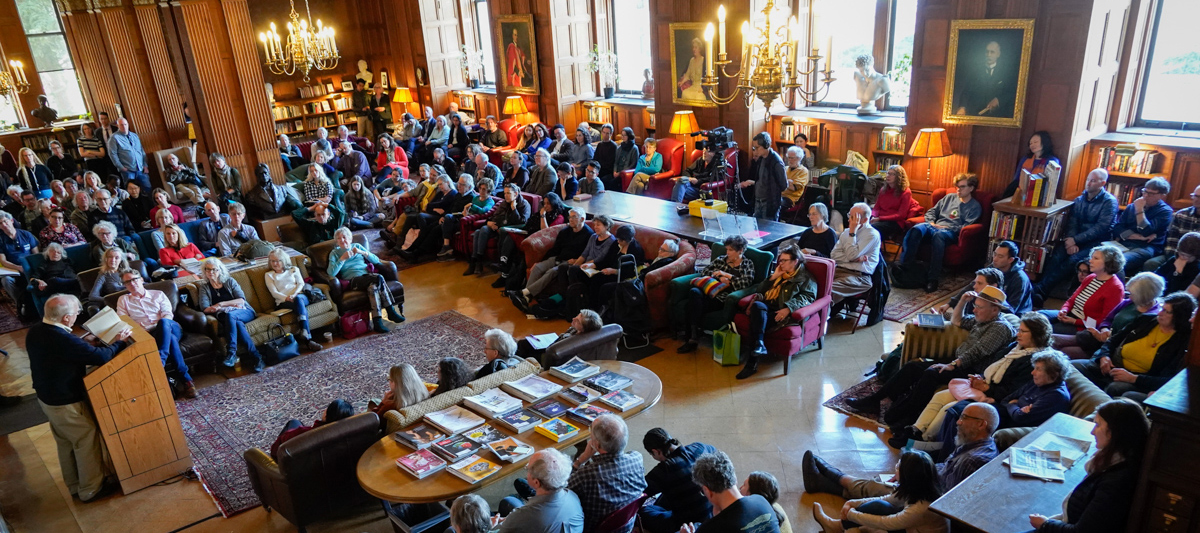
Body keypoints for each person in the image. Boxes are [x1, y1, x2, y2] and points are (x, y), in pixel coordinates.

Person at [848, 286, 1019, 424]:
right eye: (975, 306)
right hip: (960, 362)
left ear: (995, 309)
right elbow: (957, 321)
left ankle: (910, 415)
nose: (974, 310)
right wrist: (962, 302)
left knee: (931, 373)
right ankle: (877, 400)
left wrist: (952, 365)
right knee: (913, 367)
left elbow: (978, 352)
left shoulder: (1000, 328)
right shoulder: (983, 319)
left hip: (971, 370)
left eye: (979, 307)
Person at [28, 294, 132, 503]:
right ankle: (91, 489)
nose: (77, 315)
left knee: (66, 442)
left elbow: (67, 349)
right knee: (86, 438)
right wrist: (119, 342)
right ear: (66, 318)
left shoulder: (37, 330)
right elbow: (101, 357)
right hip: (64, 401)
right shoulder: (61, 338)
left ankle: (75, 485)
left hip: (47, 397)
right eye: (76, 312)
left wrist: (85, 341)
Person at [895, 312, 1052, 448]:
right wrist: (982, 378)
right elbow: (993, 365)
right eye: (1019, 330)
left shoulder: (1034, 360)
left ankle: (923, 440)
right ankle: (915, 429)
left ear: (1036, 335)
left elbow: (1013, 390)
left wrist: (986, 388)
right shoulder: (1016, 346)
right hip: (983, 387)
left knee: (949, 407)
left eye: (1023, 332)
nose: (1018, 334)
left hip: (995, 399)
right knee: (940, 396)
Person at [804, 402, 1000, 502]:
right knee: (886, 479)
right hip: (929, 483)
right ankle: (821, 483)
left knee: (881, 487)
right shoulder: (977, 445)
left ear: (981, 424)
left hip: (927, 498)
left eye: (964, 417)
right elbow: (945, 471)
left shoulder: (973, 459)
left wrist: (910, 478)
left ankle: (834, 475)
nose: (958, 422)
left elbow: (945, 497)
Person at [1026, 399, 1148, 533]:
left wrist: (1045, 525)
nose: (1092, 431)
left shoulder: (1117, 481)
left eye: (1098, 425)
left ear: (1115, 431)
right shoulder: (1115, 460)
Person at [1072, 291, 1194, 400]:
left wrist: (1133, 378)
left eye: (1166, 311)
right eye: (1162, 307)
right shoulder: (1146, 320)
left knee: (1114, 388)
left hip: (1136, 379)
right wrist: (1104, 357)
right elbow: (1113, 340)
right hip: (1111, 365)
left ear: (1179, 317)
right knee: (1073, 367)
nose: (1160, 313)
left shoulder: (1183, 341)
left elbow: (1168, 379)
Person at [811, 450, 949, 533]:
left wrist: (852, 514)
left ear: (908, 476)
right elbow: (887, 499)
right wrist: (853, 504)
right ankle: (840, 527)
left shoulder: (922, 508)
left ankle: (838, 527)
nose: (895, 468)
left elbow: (888, 522)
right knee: (880, 505)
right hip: (913, 529)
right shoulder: (920, 489)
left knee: (879, 510)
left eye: (898, 466)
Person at [1034, 168, 1118, 303]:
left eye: (1093, 181)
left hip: (1096, 243)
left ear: (1102, 183)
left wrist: (1076, 239)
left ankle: (1041, 289)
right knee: (1056, 255)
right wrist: (1070, 240)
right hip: (1075, 240)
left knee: (1073, 261)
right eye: (1088, 180)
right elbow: (1072, 222)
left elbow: (1101, 228)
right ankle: (1041, 291)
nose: (1089, 183)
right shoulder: (1079, 200)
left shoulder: (1109, 202)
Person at [736, 245, 817, 379]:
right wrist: (774, 277)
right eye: (780, 260)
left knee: (756, 325)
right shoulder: (780, 273)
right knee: (757, 306)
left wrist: (788, 308)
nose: (781, 263)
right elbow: (760, 291)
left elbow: (808, 297)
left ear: (795, 261)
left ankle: (752, 363)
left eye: (784, 260)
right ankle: (759, 345)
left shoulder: (806, 278)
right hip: (768, 306)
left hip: (782, 310)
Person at [115, 268, 196, 399]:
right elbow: (124, 321)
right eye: (127, 282)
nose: (132, 283)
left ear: (141, 279)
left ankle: (160, 360)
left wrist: (156, 326)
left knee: (163, 323)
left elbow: (168, 315)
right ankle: (187, 380)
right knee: (171, 340)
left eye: (134, 279)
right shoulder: (123, 300)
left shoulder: (157, 294)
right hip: (149, 334)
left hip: (170, 326)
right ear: (125, 285)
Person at [898, 173, 983, 292]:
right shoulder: (949, 198)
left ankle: (933, 279)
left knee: (938, 236)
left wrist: (943, 227)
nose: (958, 189)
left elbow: (965, 226)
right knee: (916, 229)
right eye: (957, 186)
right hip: (933, 226)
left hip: (949, 232)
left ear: (971, 188)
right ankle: (905, 269)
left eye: (962, 187)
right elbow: (931, 213)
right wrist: (932, 222)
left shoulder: (974, 206)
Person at [1056, 271, 1164, 360]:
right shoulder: (1128, 303)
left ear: (1144, 296)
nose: (1129, 297)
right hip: (1096, 338)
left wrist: (1107, 339)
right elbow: (1107, 319)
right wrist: (1104, 329)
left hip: (1109, 349)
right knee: (1054, 340)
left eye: (1132, 294)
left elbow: (1128, 343)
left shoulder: (1151, 317)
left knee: (1063, 351)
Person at [675, 234, 756, 353]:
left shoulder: (747, 264)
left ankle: (692, 338)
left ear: (741, 250)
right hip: (708, 292)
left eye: (731, 250)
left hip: (722, 298)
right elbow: (705, 272)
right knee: (694, 292)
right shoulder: (721, 260)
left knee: (691, 306)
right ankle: (694, 336)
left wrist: (728, 276)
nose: (727, 252)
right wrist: (719, 278)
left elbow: (745, 283)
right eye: (727, 249)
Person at [568, 414, 647, 533]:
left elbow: (560, 490)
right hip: (626, 524)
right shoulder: (637, 458)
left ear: (596, 445)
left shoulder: (587, 475)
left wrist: (579, 462)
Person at [508, 207, 593, 311]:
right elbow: (555, 249)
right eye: (570, 217)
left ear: (582, 219)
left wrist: (577, 260)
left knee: (551, 272)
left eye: (574, 217)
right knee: (537, 268)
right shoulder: (565, 231)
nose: (570, 219)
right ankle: (528, 297)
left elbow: (588, 254)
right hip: (558, 257)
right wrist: (540, 261)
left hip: (571, 262)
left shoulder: (589, 235)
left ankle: (524, 294)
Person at [639, 428, 717, 533]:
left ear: (655, 451)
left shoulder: (664, 470)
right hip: (713, 511)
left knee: (644, 512)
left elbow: (639, 491)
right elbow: (717, 455)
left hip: (687, 525)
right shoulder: (700, 447)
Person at [327, 227, 405, 332]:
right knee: (378, 278)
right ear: (336, 241)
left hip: (368, 278)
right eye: (339, 239)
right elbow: (331, 272)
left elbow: (376, 260)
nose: (342, 240)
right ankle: (390, 310)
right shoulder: (334, 253)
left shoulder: (357, 246)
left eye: (344, 237)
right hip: (353, 281)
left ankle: (377, 322)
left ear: (350, 239)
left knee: (373, 287)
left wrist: (362, 252)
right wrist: (342, 259)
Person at [681, 450, 780, 533]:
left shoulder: (711, 528)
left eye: (703, 492)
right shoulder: (760, 500)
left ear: (708, 491)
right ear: (735, 479)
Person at [197, 257, 265, 372]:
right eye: (207, 269)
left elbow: (241, 300)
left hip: (245, 312)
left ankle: (231, 352)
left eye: (214, 269)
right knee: (237, 324)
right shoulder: (204, 287)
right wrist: (227, 306)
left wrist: (220, 304)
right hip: (229, 318)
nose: (211, 272)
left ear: (220, 270)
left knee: (231, 315)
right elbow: (205, 308)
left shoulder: (229, 281)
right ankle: (257, 357)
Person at [495, 448, 585, 533]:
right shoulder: (572, 496)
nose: (526, 472)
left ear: (536, 482)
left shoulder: (524, 515)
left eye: (527, 468)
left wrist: (491, 524)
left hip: (534, 519)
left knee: (507, 502)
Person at [1041, 245, 1126, 335]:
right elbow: (1071, 300)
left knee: (1042, 330)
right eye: (1091, 257)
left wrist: (1074, 322)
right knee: (1036, 317)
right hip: (1070, 314)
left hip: (1082, 327)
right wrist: (1064, 310)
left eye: (1095, 258)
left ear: (1108, 263)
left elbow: (1104, 321)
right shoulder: (1091, 277)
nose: (1090, 261)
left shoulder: (1116, 288)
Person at [263, 247, 323, 352]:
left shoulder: (294, 269)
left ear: (284, 261)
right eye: (272, 261)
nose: (275, 263)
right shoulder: (269, 275)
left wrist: (294, 295)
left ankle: (305, 333)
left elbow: (301, 284)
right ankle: (307, 337)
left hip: (299, 296)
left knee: (298, 299)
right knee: (298, 303)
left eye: (278, 261)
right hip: (283, 302)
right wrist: (286, 298)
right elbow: (274, 292)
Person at [465, 183, 530, 276]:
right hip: (496, 226)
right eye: (505, 193)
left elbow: (522, 222)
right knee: (479, 231)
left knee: (480, 231)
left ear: (515, 193)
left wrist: (514, 208)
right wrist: (489, 222)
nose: (506, 196)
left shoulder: (524, 204)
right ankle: (476, 262)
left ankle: (476, 262)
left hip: (508, 230)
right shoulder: (504, 203)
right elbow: (495, 215)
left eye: (508, 193)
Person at [1112, 176, 1173, 273]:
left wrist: (1139, 210)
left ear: (1162, 196)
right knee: (1096, 257)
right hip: (1124, 243)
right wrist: (1137, 237)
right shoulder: (1132, 206)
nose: (1145, 195)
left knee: (1115, 263)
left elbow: (1145, 231)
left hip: (1146, 248)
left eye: (1151, 193)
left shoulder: (1165, 211)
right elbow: (1117, 228)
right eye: (1145, 191)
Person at [829, 202, 881, 304]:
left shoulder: (871, 235)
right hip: (838, 270)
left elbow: (851, 255)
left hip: (858, 276)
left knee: (827, 289)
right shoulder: (846, 232)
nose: (848, 220)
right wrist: (854, 258)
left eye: (853, 217)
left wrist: (852, 233)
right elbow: (834, 255)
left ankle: (820, 315)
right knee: (812, 284)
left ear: (865, 220)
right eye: (849, 215)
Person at [515, 310, 604, 368]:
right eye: (577, 316)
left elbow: (550, 354)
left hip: (548, 357)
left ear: (583, 329)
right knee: (525, 343)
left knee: (523, 346)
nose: (573, 318)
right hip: (552, 346)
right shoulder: (575, 330)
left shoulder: (571, 342)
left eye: (577, 321)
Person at [269, 399, 354, 459]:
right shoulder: (350, 437)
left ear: (326, 415)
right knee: (294, 422)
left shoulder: (305, 433)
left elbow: (276, 449)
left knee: (292, 424)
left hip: (290, 464)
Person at [953, 40, 1014, 117]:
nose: (989, 55)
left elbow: (1011, 92)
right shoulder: (975, 71)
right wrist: (962, 107)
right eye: (987, 52)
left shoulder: (1006, 72)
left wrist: (998, 100)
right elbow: (966, 92)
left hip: (998, 116)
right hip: (976, 114)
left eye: (992, 52)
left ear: (998, 54)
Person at [1002, 131, 1061, 199]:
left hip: (1039, 192)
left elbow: (1050, 182)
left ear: (1045, 142)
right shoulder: (1025, 159)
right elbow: (1016, 178)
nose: (1032, 145)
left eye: (1035, 142)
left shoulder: (1052, 160)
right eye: (1030, 143)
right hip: (1021, 190)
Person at [743, 132, 787, 221]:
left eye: (757, 147)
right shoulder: (761, 159)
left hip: (769, 203)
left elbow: (784, 185)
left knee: (769, 231)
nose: (755, 150)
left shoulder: (776, 162)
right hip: (759, 202)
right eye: (753, 147)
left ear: (766, 145)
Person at [0, 210, 38, 311]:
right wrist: (18, 268)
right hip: (13, 268)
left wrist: (30, 267)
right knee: (6, 280)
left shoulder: (26, 234)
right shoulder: (1, 240)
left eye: (5, 221)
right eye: (0, 223)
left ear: (11, 220)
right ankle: (20, 302)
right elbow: (3, 261)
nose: (4, 224)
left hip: (30, 265)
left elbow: (36, 254)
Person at [871, 165, 921, 241]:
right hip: (880, 219)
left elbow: (901, 215)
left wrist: (880, 218)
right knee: (861, 224)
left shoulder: (906, 192)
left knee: (872, 228)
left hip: (895, 222)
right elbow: (876, 207)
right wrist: (872, 216)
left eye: (892, 174)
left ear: (899, 177)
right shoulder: (883, 190)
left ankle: (873, 251)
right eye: (888, 173)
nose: (888, 176)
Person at [107, 118, 151, 191]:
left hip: (140, 168)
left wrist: (145, 165)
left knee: (147, 188)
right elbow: (112, 154)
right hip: (128, 170)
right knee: (132, 191)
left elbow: (141, 151)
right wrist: (121, 167)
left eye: (125, 124)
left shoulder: (134, 136)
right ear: (117, 126)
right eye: (121, 125)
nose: (124, 126)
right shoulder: (114, 138)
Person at [87, 249, 128, 314]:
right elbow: (92, 296)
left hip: (131, 301)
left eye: (116, 258)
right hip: (117, 305)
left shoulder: (128, 271)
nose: (113, 260)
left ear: (121, 260)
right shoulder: (103, 274)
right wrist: (110, 299)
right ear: (106, 259)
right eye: (110, 257)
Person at [610, 127, 640, 191]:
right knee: (605, 179)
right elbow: (616, 162)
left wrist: (620, 173)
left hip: (625, 172)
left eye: (624, 135)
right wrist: (615, 171)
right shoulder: (619, 148)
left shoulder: (634, 148)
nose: (622, 137)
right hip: (617, 171)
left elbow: (633, 164)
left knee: (612, 183)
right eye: (622, 135)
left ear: (629, 136)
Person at [780, 145, 809, 210]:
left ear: (799, 158)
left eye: (792, 158)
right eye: (788, 158)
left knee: (776, 204)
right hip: (779, 195)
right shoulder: (785, 168)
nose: (789, 160)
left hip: (790, 198)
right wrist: (788, 181)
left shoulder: (803, 171)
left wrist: (782, 181)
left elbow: (793, 188)